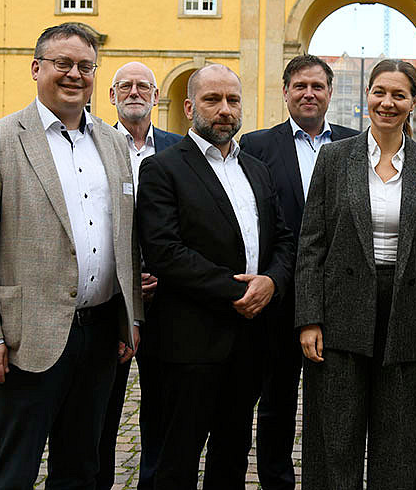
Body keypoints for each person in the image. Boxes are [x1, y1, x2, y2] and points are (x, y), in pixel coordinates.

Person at [0, 23, 142, 489]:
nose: (74, 74)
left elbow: (125, 237)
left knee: (82, 467)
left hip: (99, 334)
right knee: (14, 469)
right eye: (63, 64)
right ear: (37, 68)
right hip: (27, 338)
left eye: (85, 66)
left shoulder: (114, 143)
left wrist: (128, 317)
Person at [296, 59, 416, 489]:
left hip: (407, 311)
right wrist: (309, 318)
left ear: (414, 102)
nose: (387, 103)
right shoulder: (334, 158)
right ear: (367, 95)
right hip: (341, 309)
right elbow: (312, 242)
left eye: (399, 94)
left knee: (401, 441)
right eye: (380, 92)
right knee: (335, 436)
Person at [135, 63, 295, 489]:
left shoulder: (257, 170)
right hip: (188, 342)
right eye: (213, 100)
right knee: (177, 459)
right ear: (189, 107)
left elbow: (283, 239)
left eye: (233, 100)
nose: (225, 110)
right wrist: (239, 291)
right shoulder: (162, 169)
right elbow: (165, 252)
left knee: (232, 454)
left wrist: (272, 282)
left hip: (249, 342)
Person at [239, 54, 357, 490]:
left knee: (335, 402)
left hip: (339, 293)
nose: (309, 93)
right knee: (277, 400)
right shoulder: (256, 146)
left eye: (318, 86)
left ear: (329, 93)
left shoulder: (355, 144)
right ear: (285, 91)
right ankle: (276, 480)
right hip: (280, 291)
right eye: (300, 86)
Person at [98, 61, 181, 490]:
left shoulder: (178, 148)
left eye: (143, 86)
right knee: (101, 408)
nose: (134, 92)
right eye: (124, 86)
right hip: (108, 297)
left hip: (166, 297)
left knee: (162, 406)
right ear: (111, 96)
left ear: (155, 96)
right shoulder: (89, 144)